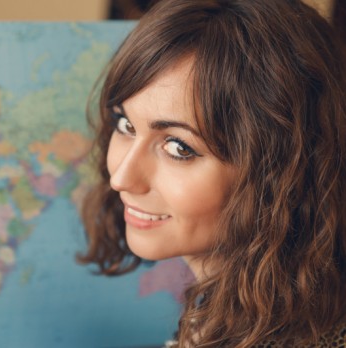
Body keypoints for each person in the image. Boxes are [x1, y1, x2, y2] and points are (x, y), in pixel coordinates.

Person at [78, 0, 346, 346]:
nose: (121, 179)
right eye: (125, 124)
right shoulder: (230, 317)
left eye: (179, 147)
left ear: (279, 174)